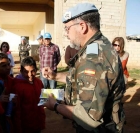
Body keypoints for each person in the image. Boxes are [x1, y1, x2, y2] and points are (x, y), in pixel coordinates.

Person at [42, 3, 126, 133]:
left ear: (82, 26)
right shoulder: (97, 46)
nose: (66, 34)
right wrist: (55, 76)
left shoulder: (94, 58)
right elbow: (80, 78)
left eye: (67, 28)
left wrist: (55, 105)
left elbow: (87, 117)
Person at [13, 57, 45, 133]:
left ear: (36, 70)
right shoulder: (17, 87)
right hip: (25, 126)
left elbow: (44, 99)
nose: (30, 74)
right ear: (21, 71)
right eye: (26, 72)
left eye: (32, 71)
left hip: (38, 123)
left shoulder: (39, 82)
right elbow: (17, 111)